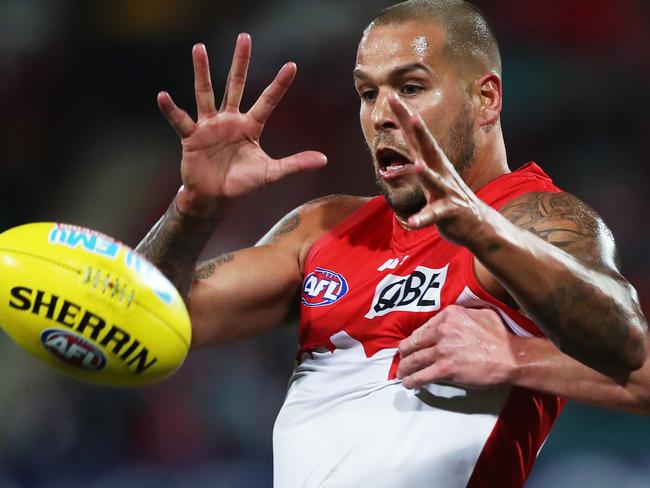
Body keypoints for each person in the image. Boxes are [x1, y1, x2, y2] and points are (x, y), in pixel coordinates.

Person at [136, 1, 649, 486]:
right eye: (367, 93)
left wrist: (519, 356)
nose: (382, 113)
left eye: (410, 86)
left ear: (485, 98)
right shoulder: (326, 228)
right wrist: (192, 209)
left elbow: (630, 348)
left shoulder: (533, 218)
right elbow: (138, 323)